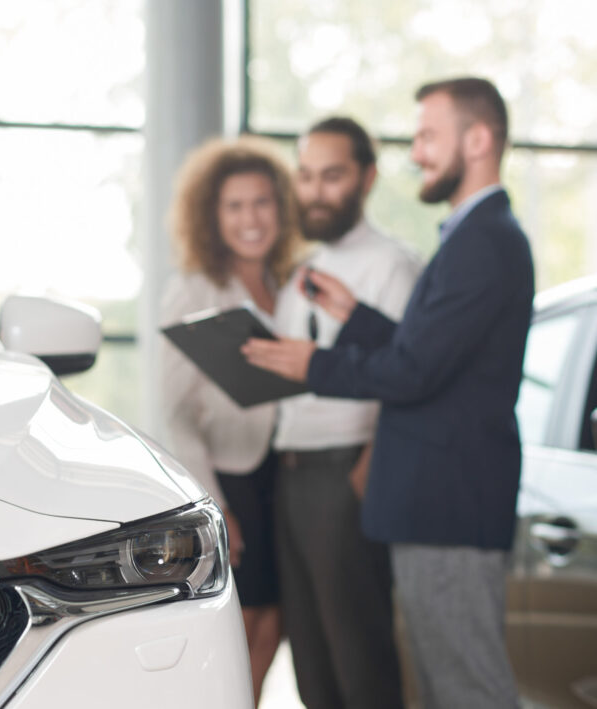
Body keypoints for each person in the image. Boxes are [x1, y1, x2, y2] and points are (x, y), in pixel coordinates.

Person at [243, 77, 535, 709]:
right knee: (443, 687)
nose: (418, 152)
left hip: (449, 506)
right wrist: (359, 318)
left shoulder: (484, 240)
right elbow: (426, 353)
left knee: (466, 689)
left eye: (429, 136)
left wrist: (313, 363)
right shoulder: (469, 237)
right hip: (437, 504)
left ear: (479, 139)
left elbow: (411, 374)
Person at [271, 117, 422, 709]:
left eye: (331, 176)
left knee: (360, 660)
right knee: (312, 663)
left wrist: (372, 463)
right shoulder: (301, 272)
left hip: (346, 474)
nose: (314, 191)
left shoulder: (393, 265)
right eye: (306, 176)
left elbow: (410, 374)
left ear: (367, 178)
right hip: (291, 475)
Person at [159, 137, 302, 705]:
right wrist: (216, 506)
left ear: (281, 209)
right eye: (235, 206)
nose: (250, 219)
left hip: (285, 471)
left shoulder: (290, 283)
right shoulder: (193, 290)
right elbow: (175, 410)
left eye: (261, 203)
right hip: (232, 476)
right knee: (242, 619)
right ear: (211, 216)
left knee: (276, 618)